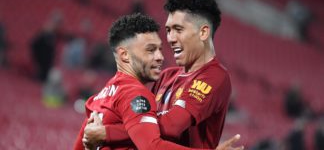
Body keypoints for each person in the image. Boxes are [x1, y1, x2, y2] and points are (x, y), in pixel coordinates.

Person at [74, 13, 242, 150]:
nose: (160, 57)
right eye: (150, 50)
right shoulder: (136, 95)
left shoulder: (99, 99)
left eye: (160, 49)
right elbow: (152, 146)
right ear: (125, 55)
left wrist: (104, 134)